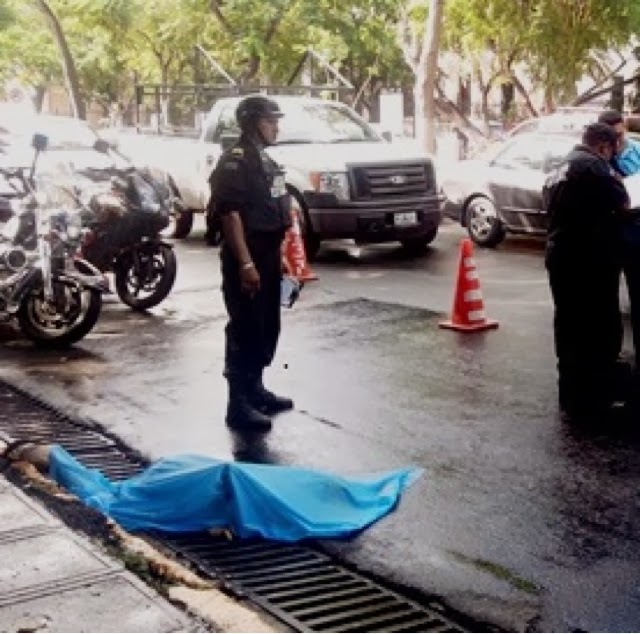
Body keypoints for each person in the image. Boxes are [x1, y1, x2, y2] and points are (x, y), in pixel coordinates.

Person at [209, 95, 293, 432]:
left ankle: (256, 389)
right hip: (247, 255)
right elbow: (230, 216)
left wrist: (280, 257)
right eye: (269, 120)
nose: (276, 126)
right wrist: (246, 264)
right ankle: (238, 403)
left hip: (267, 254)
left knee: (266, 326)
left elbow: (274, 211)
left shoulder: (267, 162)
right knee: (244, 327)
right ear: (252, 122)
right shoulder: (236, 162)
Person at [543, 122, 630, 424]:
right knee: (599, 327)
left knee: (567, 326)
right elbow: (624, 202)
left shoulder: (557, 169)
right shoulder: (594, 167)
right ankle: (598, 398)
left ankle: (571, 396)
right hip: (590, 260)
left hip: (560, 257)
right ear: (604, 147)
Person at [597, 110, 640, 377]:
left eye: (620, 134)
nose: (618, 141)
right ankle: (611, 356)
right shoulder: (598, 159)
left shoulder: (636, 151)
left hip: (636, 233)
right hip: (611, 236)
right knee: (607, 300)